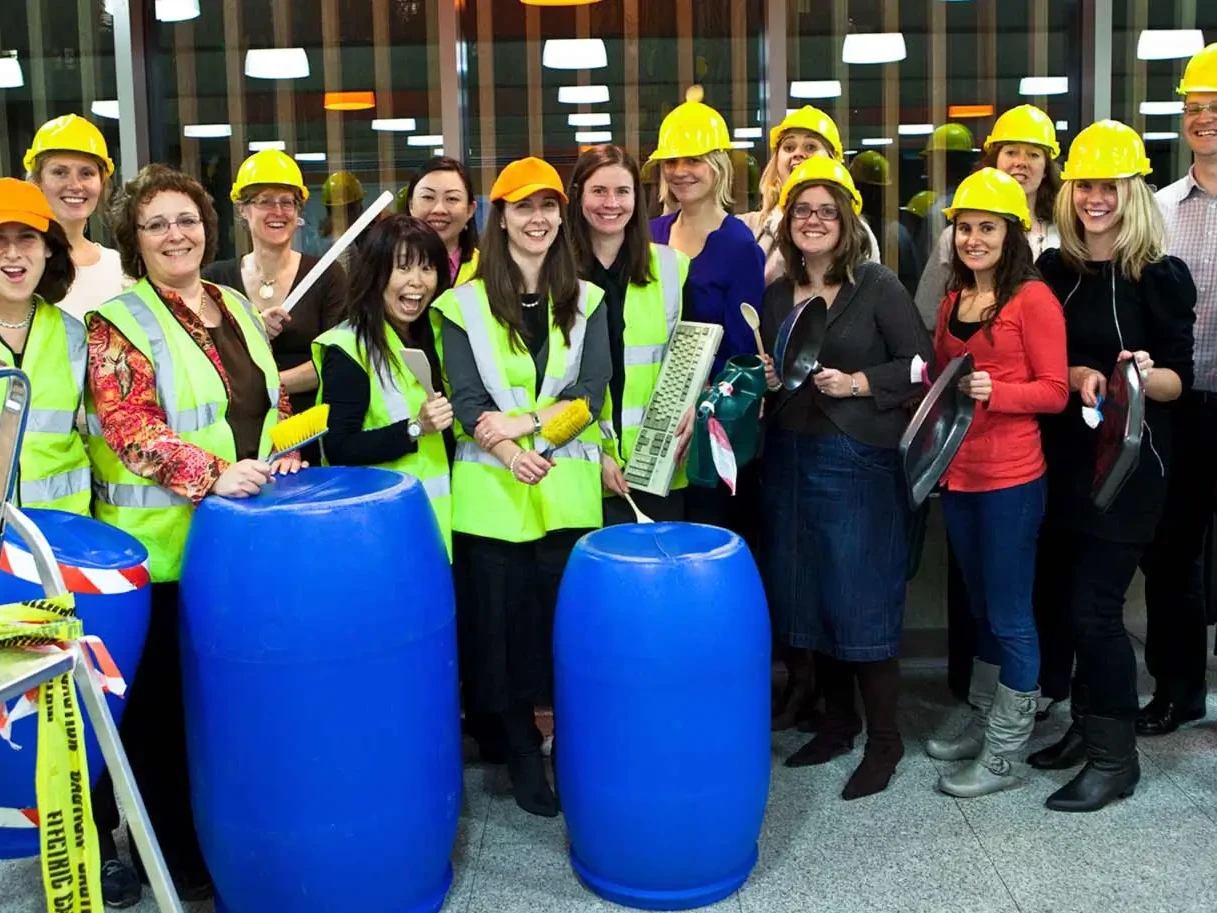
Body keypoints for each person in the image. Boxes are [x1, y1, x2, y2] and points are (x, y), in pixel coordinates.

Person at [86, 164, 304, 898]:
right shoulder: (117, 322)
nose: (176, 233)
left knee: (220, 710)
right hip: (163, 552)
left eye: (186, 219)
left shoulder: (233, 304)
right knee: (161, 720)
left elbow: (260, 404)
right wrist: (214, 472)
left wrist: (277, 452)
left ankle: (219, 837)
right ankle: (170, 854)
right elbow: (130, 429)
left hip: (237, 543)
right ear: (133, 241)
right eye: (157, 224)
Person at [432, 157, 610, 818]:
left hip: (565, 496)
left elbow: (590, 395)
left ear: (560, 217)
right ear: (498, 217)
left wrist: (534, 427)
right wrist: (509, 451)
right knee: (498, 640)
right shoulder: (460, 305)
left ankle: (564, 743)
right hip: (493, 501)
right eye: (522, 207)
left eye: (547, 207)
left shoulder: (587, 299)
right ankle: (516, 752)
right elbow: (468, 399)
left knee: (561, 633)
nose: (537, 219)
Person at [1031, 121, 1194, 812]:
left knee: (1096, 610)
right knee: (1066, 609)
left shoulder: (1159, 275)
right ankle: (1084, 724)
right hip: (1061, 461)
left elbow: (1177, 383)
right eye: (1084, 185)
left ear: (1132, 193)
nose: (1095, 198)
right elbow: (1037, 362)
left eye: (1109, 186)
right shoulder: (1050, 271)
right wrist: (1070, 371)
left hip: (1130, 465)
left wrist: (1138, 373)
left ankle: (1113, 757)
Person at [759, 157, 931, 800]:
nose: (813, 221)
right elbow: (780, 366)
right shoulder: (778, 293)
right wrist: (772, 379)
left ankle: (885, 741)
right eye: (803, 210)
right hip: (791, 457)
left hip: (858, 458)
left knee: (861, 600)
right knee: (811, 596)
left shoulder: (878, 284)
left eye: (827, 211)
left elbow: (922, 365)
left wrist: (859, 382)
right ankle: (837, 724)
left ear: (848, 221)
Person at [922, 168, 1068, 798]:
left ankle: (1006, 751)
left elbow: (1056, 391)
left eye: (988, 228)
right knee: (981, 607)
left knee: (1011, 615)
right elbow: (940, 373)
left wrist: (999, 391)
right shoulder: (954, 300)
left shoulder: (1033, 299)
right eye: (965, 228)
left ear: (1013, 235)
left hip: (1012, 478)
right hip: (959, 474)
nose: (973, 239)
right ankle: (985, 721)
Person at [1136, 42, 1217, 737]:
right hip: (1178, 406)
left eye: (1215, 108)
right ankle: (1176, 688)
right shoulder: (1158, 209)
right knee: (1169, 554)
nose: (1203, 119)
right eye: (1194, 108)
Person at [647, 88, 765, 532]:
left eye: (693, 160)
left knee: (703, 536)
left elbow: (743, 357)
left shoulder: (739, 247)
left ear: (717, 165)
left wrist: (700, 409)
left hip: (706, 429)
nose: (680, 172)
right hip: (649, 420)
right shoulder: (651, 234)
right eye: (672, 162)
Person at [312, 215, 454, 553]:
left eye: (427, 268)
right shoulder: (348, 346)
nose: (417, 282)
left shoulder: (436, 336)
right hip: (377, 527)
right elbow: (338, 446)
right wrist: (416, 428)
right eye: (403, 268)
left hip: (434, 522)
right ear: (376, 274)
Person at [566, 144, 690, 524]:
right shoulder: (554, 275)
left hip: (658, 464)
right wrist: (595, 452)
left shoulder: (671, 267)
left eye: (623, 191)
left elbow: (688, 359)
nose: (611, 203)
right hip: (578, 465)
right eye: (598, 191)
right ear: (578, 197)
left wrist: (692, 408)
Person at [204, 149, 347, 466]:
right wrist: (250, 328)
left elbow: (335, 362)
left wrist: (262, 384)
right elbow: (203, 361)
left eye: (288, 201)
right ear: (243, 209)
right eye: (265, 200)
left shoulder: (327, 276)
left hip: (308, 435)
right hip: (234, 438)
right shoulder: (215, 282)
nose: (278, 211)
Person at [915, 106, 1062, 330]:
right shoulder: (956, 237)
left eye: (1033, 154)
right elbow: (926, 317)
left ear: (1046, 169)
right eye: (1011, 152)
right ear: (995, 161)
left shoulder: (1063, 236)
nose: (1021, 162)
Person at [0, 179, 90, 514]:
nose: (12, 254)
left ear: (48, 247)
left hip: (62, 534)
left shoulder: (73, 335)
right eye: (0, 239)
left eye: (26, 237)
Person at [742, 106, 879, 286]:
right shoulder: (749, 228)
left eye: (811, 147)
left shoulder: (858, 232)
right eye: (789, 147)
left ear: (832, 160)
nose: (797, 153)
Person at [24, 113, 126, 323]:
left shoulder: (120, 270)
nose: (75, 185)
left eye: (86, 173)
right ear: (36, 182)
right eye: (60, 172)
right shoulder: (15, 267)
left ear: (102, 184)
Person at [405, 156, 480, 286]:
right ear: (411, 205)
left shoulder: (487, 268)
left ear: (470, 210)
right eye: (428, 197)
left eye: (452, 199)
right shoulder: (386, 265)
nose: (439, 209)